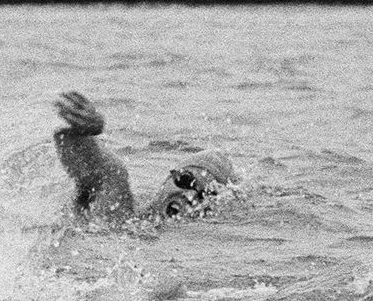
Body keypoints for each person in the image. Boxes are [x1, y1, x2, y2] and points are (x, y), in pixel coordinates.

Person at [53, 91, 236, 225]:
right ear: (170, 177)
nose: (188, 195)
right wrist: (84, 131)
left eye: (203, 194)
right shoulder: (123, 207)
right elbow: (99, 166)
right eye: (185, 180)